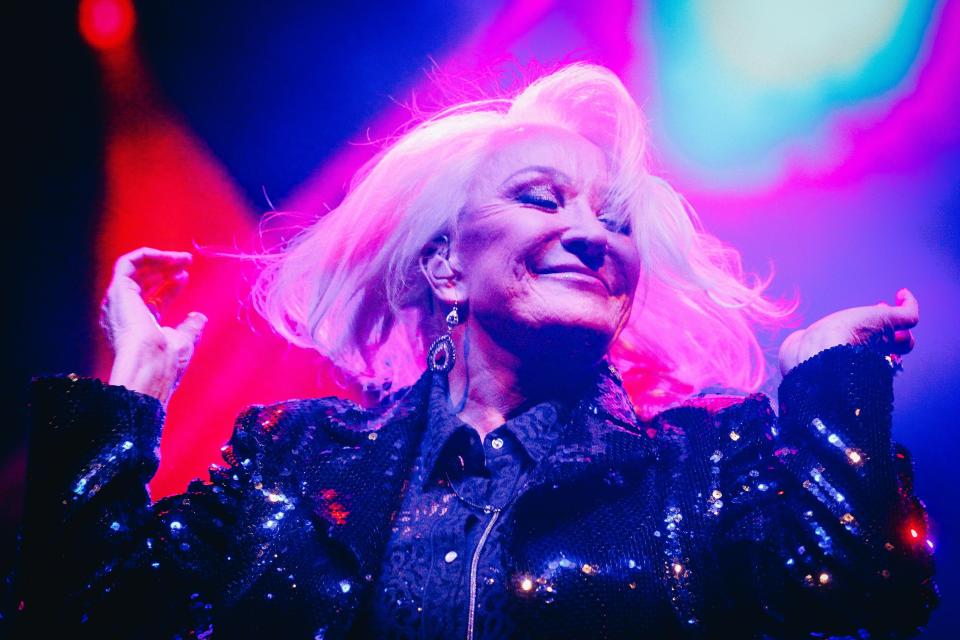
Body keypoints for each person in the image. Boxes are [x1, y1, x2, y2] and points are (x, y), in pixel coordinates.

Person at [8, 64, 937, 638]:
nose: (592, 235)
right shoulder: (289, 458)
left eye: (613, 220)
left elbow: (855, 590)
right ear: (446, 264)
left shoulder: (699, 466)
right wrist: (125, 395)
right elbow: (82, 614)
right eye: (543, 198)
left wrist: (828, 379)